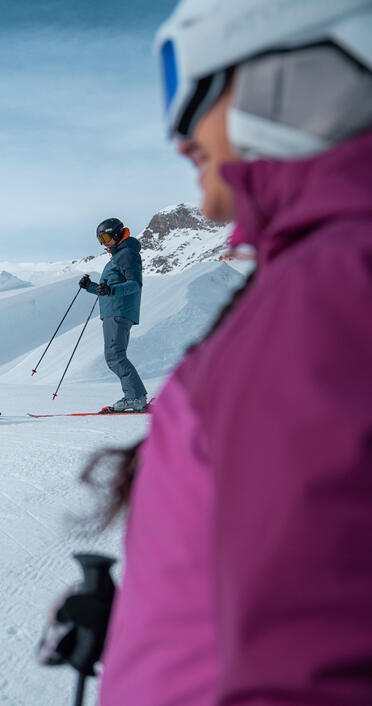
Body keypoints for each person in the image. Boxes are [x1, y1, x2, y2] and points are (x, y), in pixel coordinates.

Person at [91, 1, 372, 704]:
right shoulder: (320, 271)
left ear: (291, 74)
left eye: (190, 91)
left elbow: (315, 671)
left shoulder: (328, 292)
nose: (179, 136)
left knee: (119, 358)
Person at [79, 218, 148, 412]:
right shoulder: (119, 255)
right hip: (113, 310)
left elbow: (134, 284)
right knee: (115, 356)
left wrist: (109, 291)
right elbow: (109, 289)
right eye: (100, 240)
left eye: (107, 237)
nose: (104, 243)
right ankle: (136, 396)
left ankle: (135, 397)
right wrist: (91, 287)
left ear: (117, 234)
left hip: (119, 311)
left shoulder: (127, 254)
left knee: (114, 356)